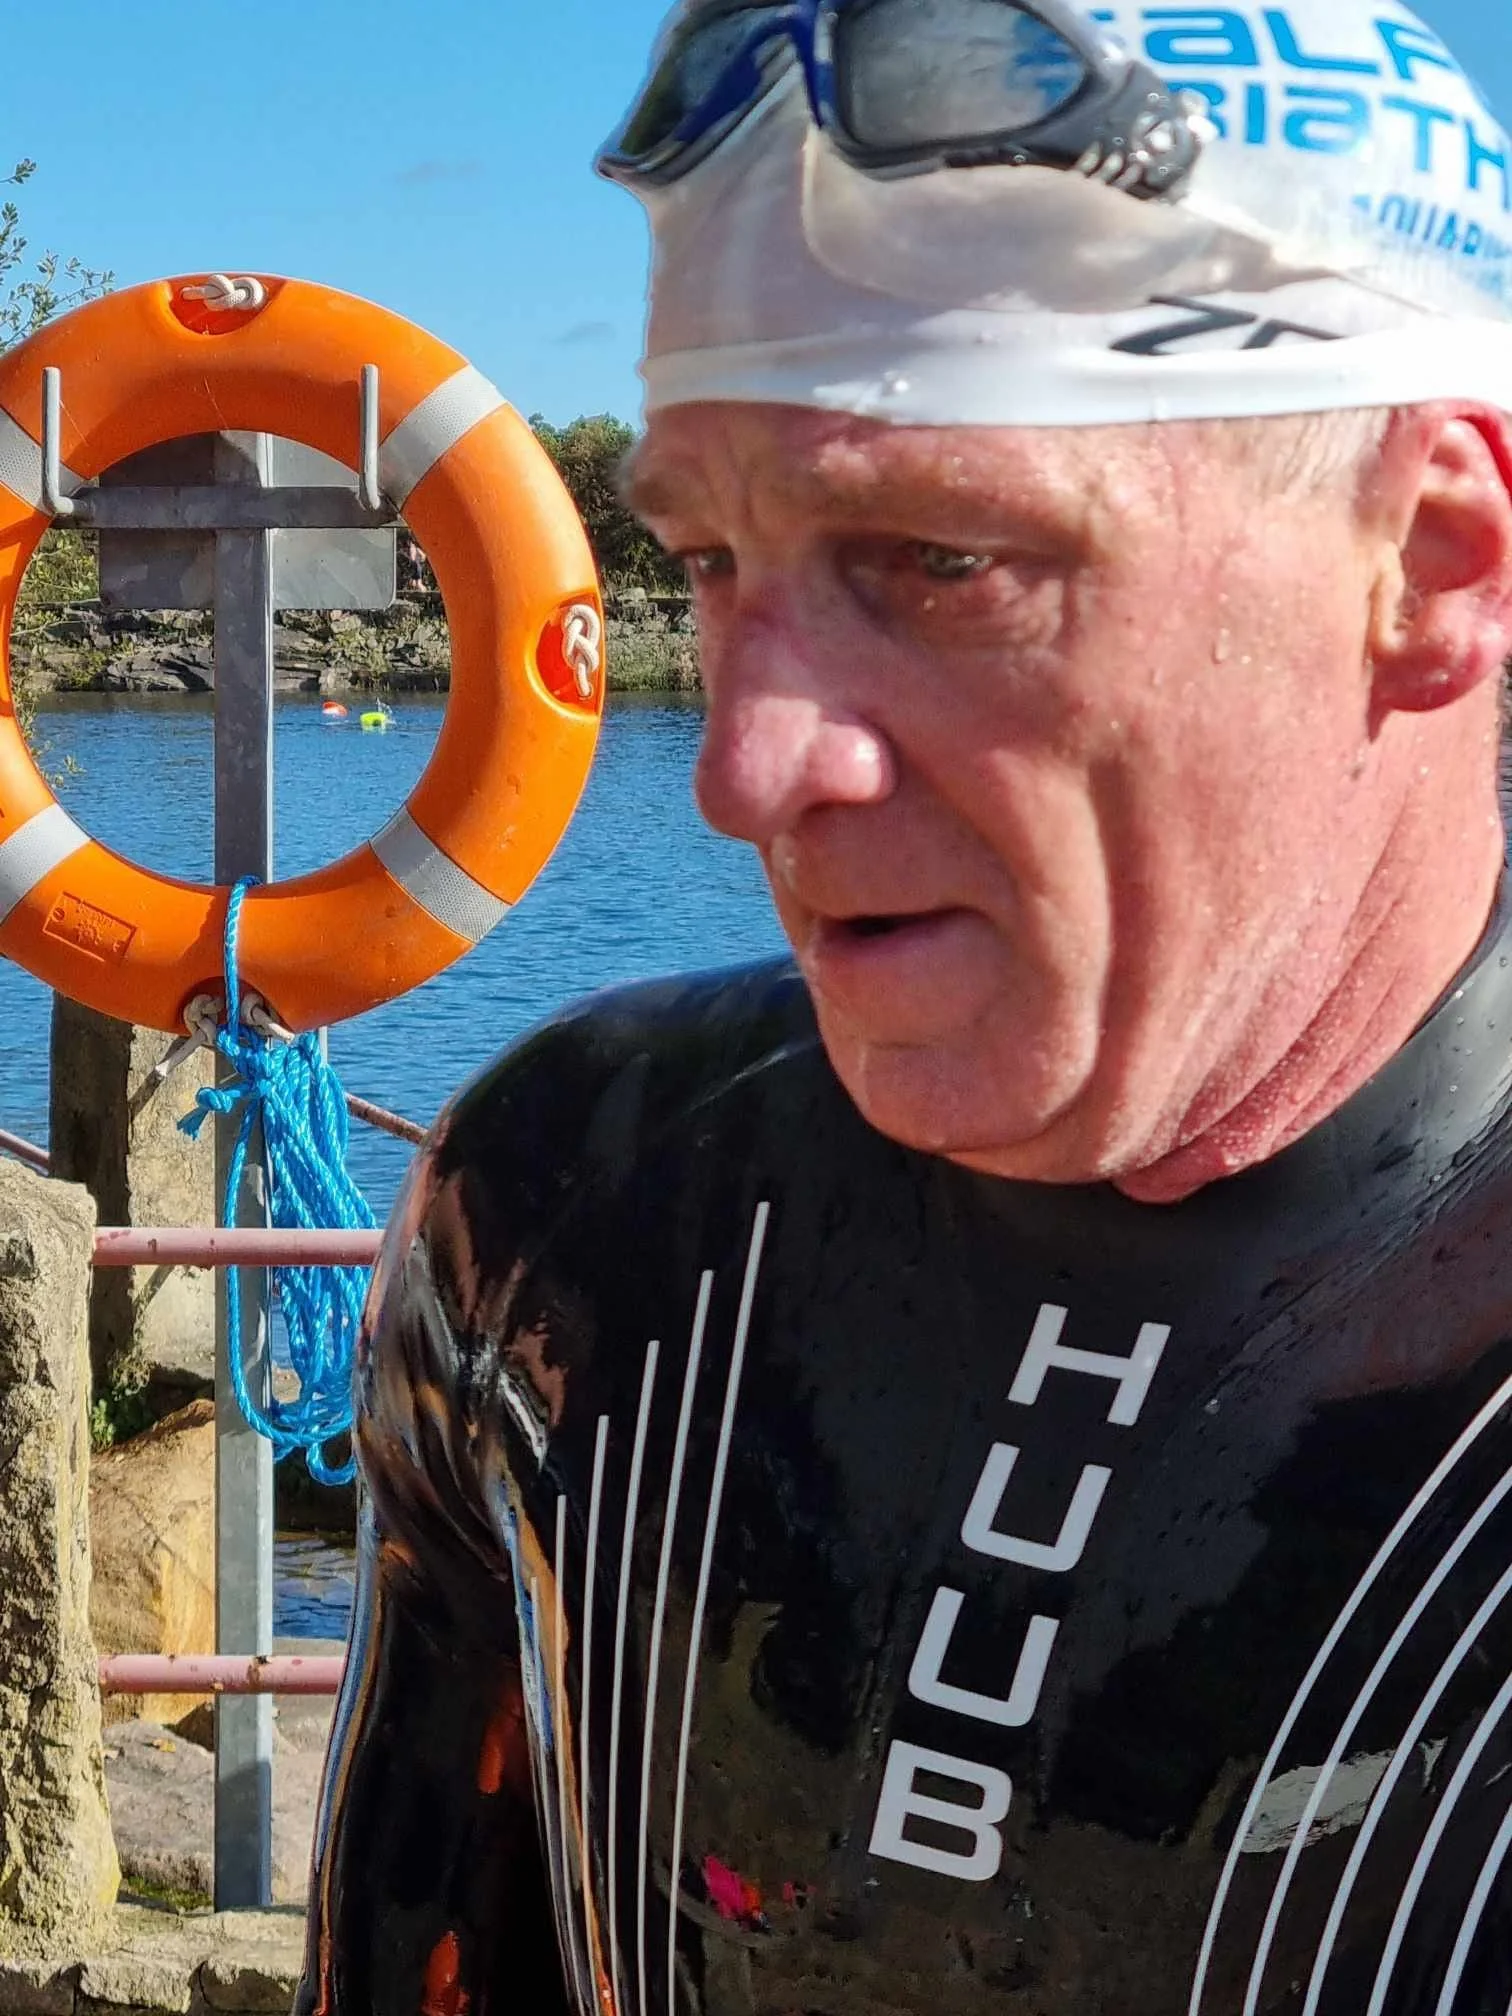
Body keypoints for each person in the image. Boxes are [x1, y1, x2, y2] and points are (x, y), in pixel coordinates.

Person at [296, 2, 1512, 2010]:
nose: (743, 768)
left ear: (1432, 567)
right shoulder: (569, 1211)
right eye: (711, 558)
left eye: (945, 558)